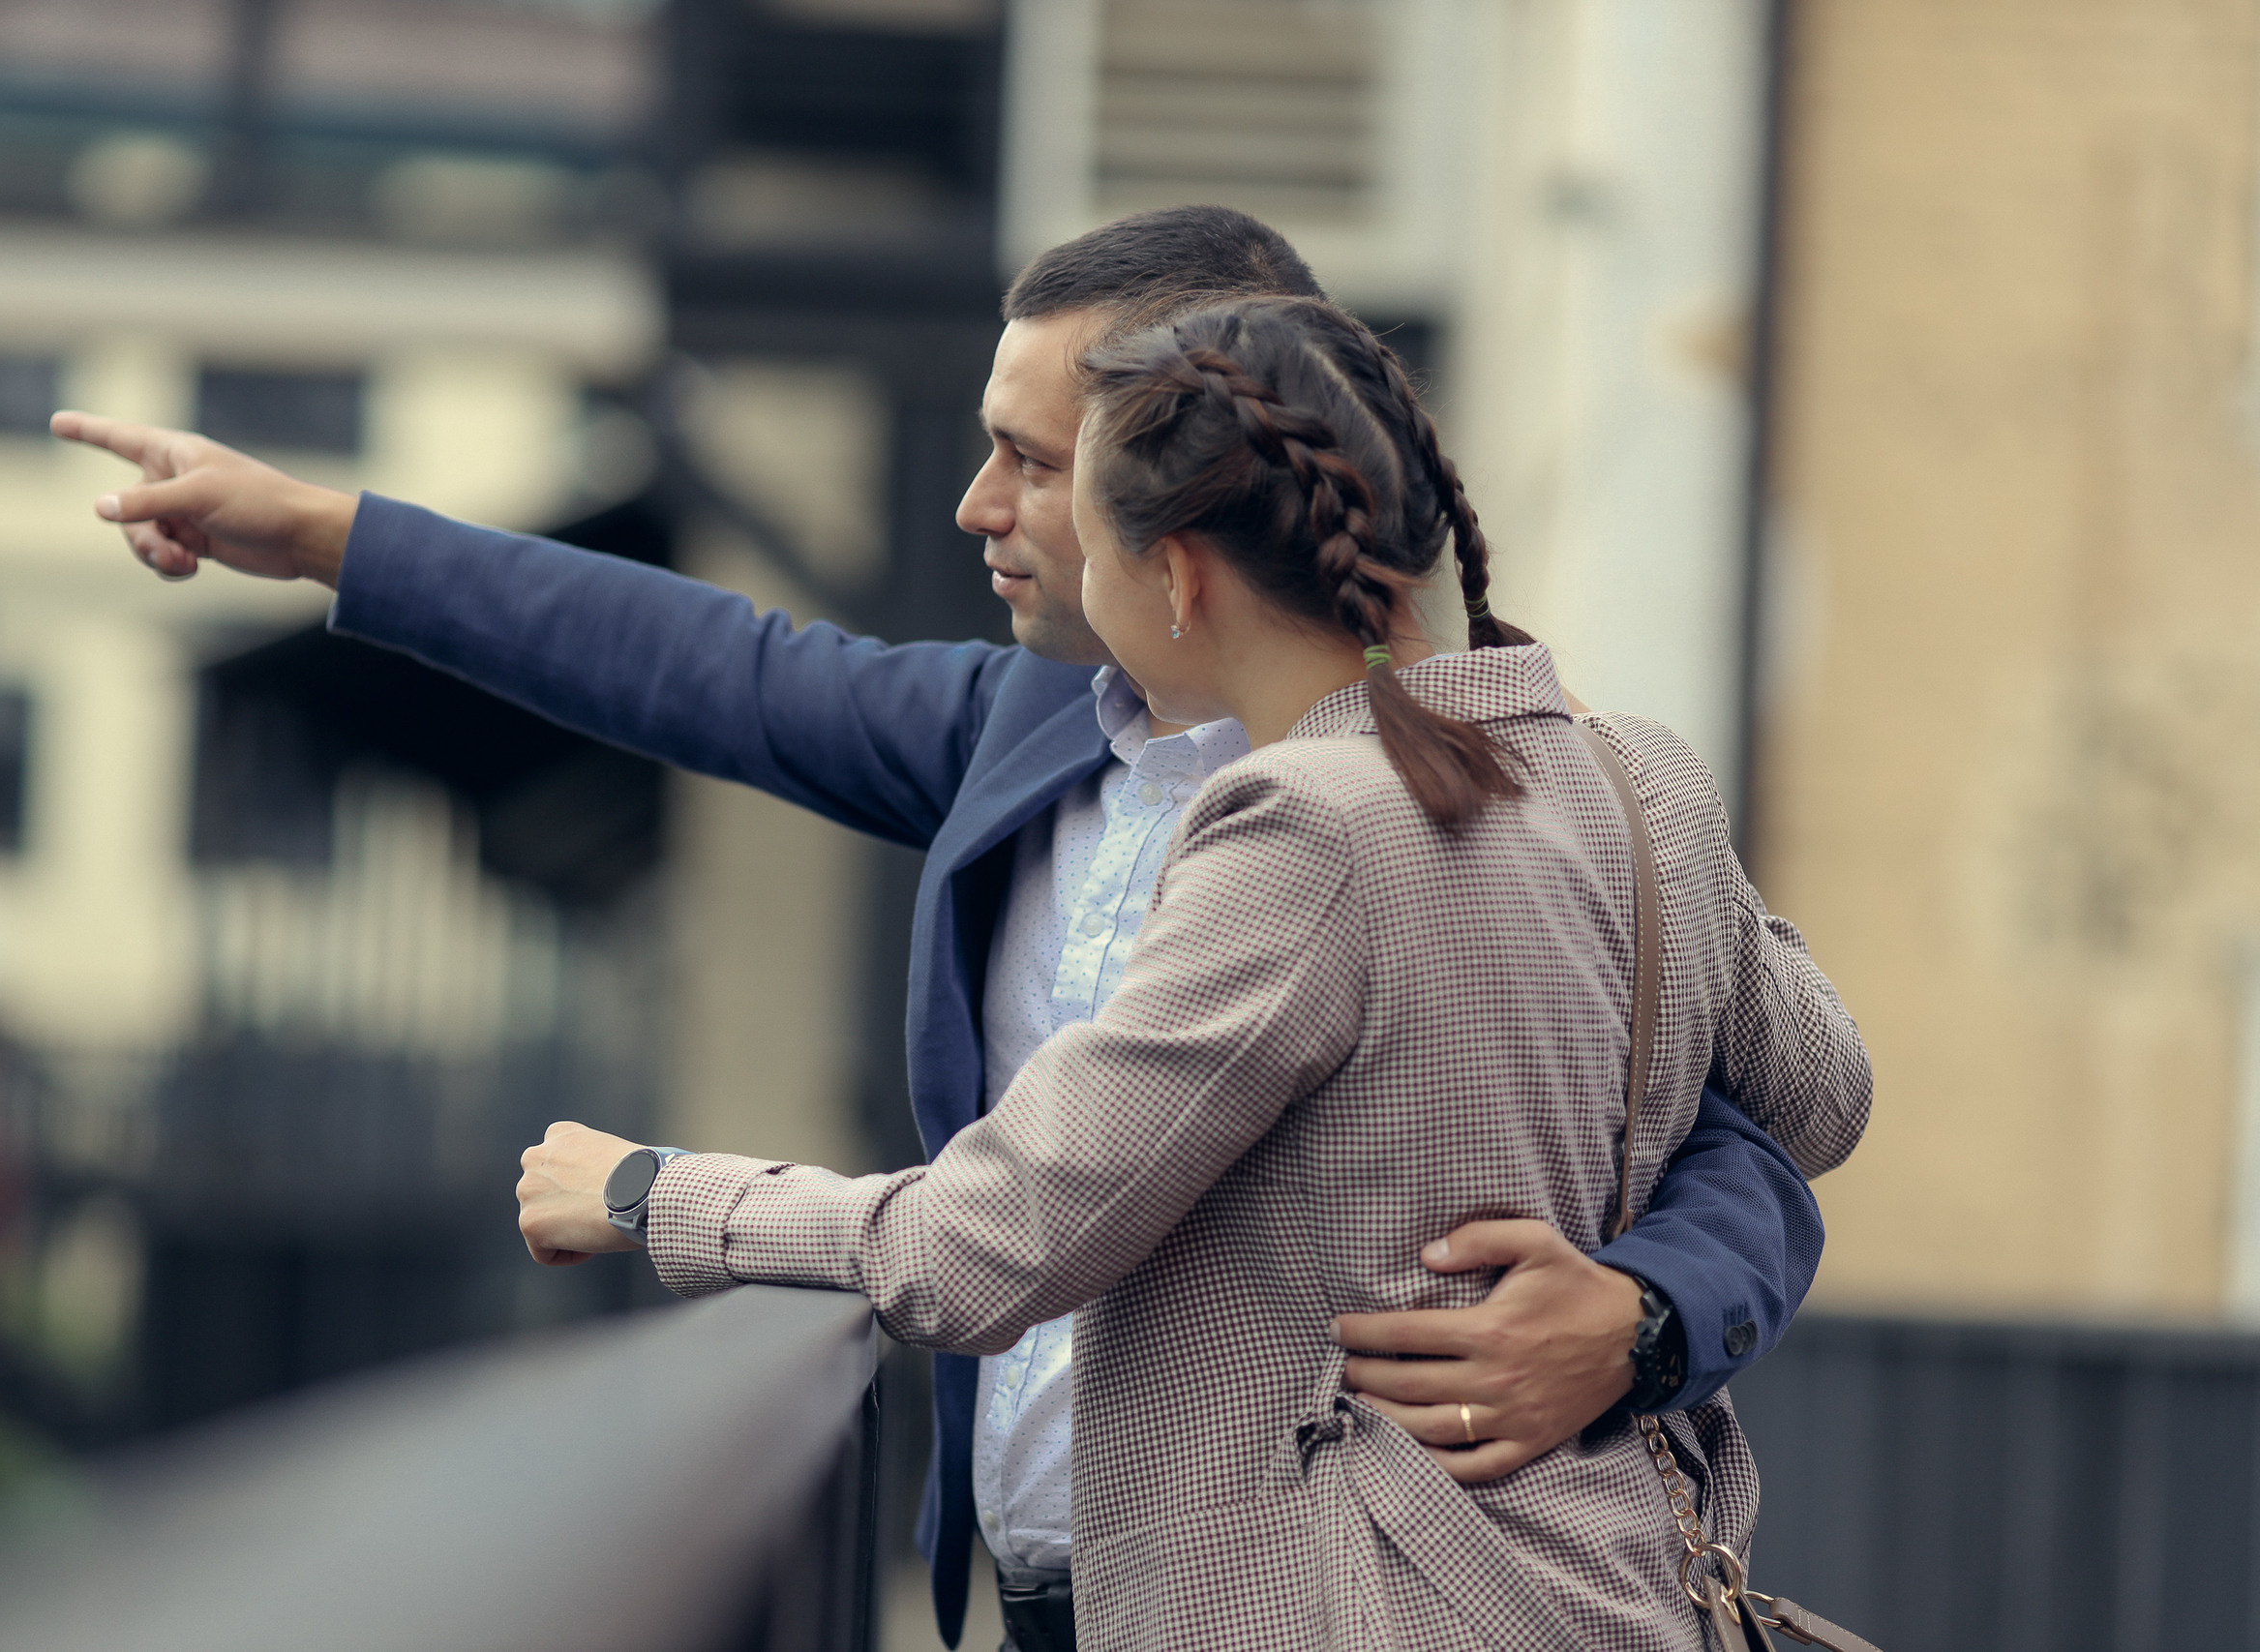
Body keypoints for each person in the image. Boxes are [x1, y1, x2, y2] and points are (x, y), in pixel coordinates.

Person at [54, 207, 1834, 1650]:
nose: (978, 508)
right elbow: (712, 666)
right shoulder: (1057, 731)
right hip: (1099, 1584)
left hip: (1353, 1593)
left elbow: (1744, 1123)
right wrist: (329, 536)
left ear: (1186, 492)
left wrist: (1649, 1314)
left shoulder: (1421, 801)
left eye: (1034, 461)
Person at [517, 294, 1869, 1649]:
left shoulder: (1305, 824)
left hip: (1364, 1610)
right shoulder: (1634, 776)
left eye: (1091, 531)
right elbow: (1823, 1098)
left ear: (1176, 577)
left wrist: (651, 1193)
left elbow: (985, 1245)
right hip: (1608, 1592)